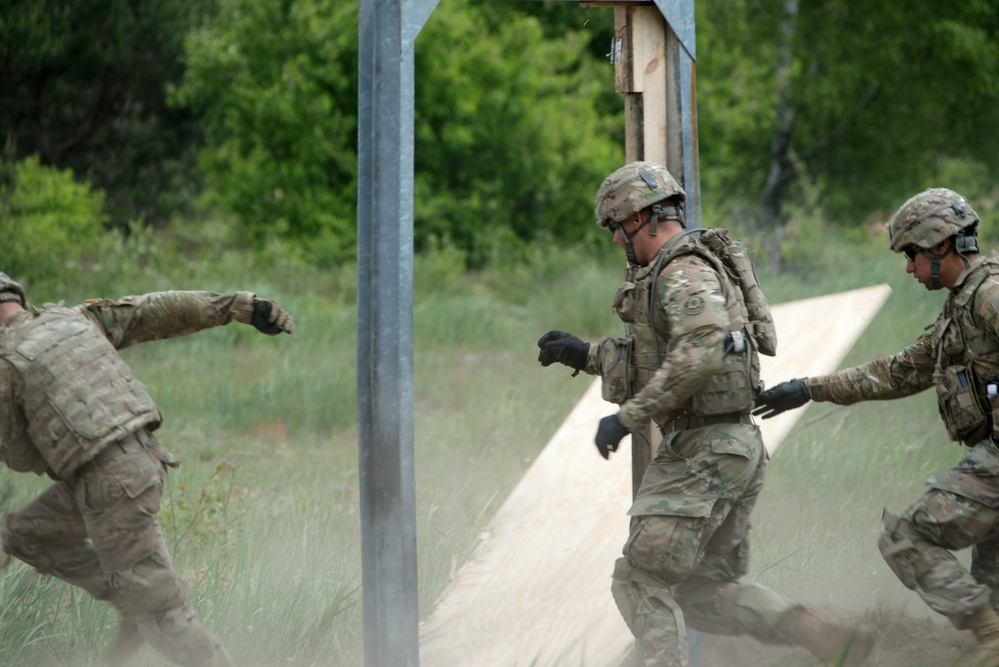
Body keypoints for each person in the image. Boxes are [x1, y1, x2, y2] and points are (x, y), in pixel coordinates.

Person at [536, 161, 874, 667]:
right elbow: (665, 356)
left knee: (641, 580)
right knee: (702, 593)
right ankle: (822, 637)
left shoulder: (682, 271)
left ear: (639, 219)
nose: (614, 242)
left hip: (703, 451)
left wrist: (628, 418)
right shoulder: (683, 272)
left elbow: (701, 349)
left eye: (614, 227)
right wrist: (583, 354)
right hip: (732, 448)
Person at [755, 187, 999, 666]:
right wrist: (807, 388)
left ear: (941, 245)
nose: (908, 267)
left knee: (905, 537)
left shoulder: (989, 297)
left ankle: (989, 634)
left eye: (912, 254)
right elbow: (900, 371)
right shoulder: (962, 304)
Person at [0, 275, 295, 667]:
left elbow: (19, 454)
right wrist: (237, 306)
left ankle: (143, 603)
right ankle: (129, 596)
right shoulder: (73, 320)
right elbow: (152, 311)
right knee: (23, 534)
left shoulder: (6, 362)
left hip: (110, 486)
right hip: (139, 463)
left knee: (163, 619)